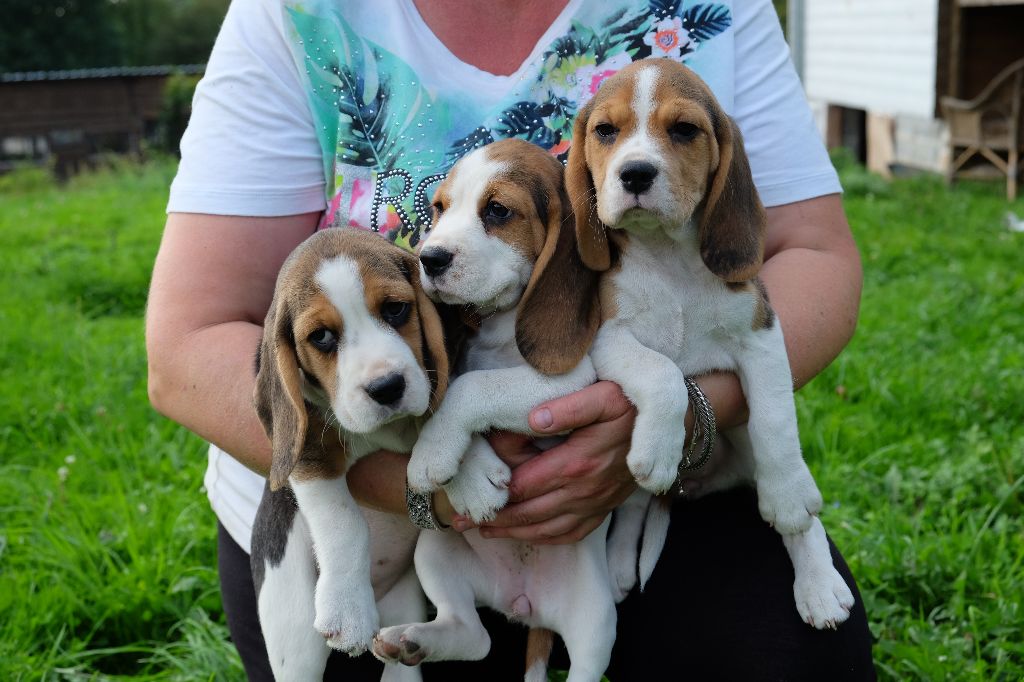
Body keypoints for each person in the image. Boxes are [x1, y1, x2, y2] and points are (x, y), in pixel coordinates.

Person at [146, 0, 874, 679]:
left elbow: (816, 254)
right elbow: (185, 349)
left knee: (799, 658)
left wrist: (688, 414)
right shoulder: (291, 13)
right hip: (363, 511)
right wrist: (423, 493)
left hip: (647, 488)